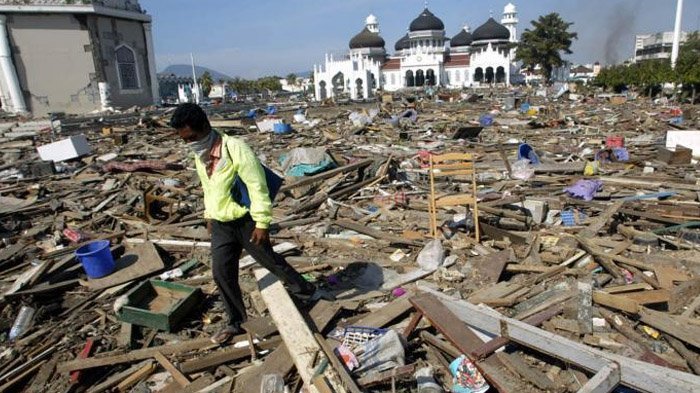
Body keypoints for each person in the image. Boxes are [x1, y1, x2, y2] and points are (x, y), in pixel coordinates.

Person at [170, 103, 325, 344]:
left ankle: (306, 291)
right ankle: (235, 321)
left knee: (270, 261)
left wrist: (262, 222)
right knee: (221, 272)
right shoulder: (200, 154)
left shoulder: (235, 149)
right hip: (221, 224)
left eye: (192, 137)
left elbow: (257, 186)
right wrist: (210, 214)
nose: (189, 143)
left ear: (205, 128)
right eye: (184, 139)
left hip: (246, 221)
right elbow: (209, 187)